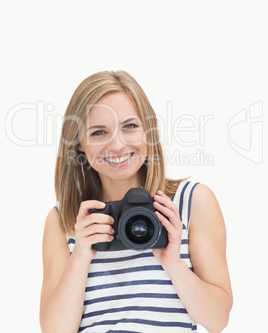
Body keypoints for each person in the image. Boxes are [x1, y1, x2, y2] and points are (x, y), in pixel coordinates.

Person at [40, 70, 233, 333]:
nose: (117, 145)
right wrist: (80, 257)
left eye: (130, 126)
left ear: (150, 128)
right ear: (78, 143)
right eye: (98, 132)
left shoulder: (192, 202)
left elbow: (218, 320)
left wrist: (174, 264)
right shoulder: (65, 221)